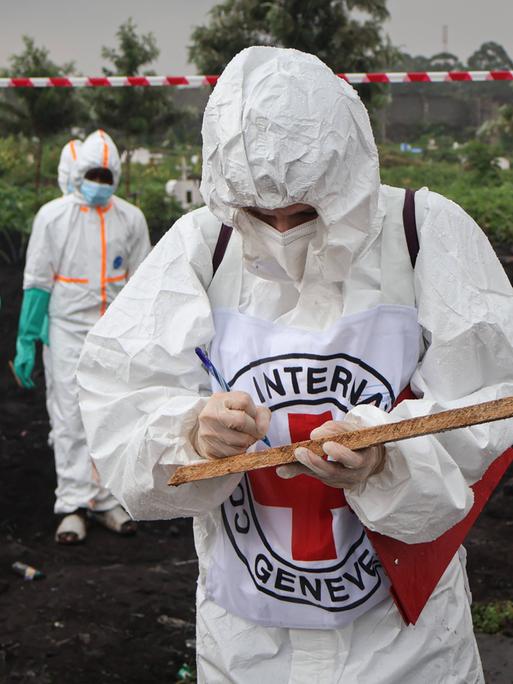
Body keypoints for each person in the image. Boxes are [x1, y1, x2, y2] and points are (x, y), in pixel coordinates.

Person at [77, 48, 513, 683]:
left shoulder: (422, 232)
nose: (281, 230)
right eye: (260, 213)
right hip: (249, 644)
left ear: (349, 179)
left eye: (305, 213)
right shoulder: (204, 245)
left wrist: (388, 456)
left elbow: (489, 402)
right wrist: (194, 434)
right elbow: (121, 395)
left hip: (404, 646)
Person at [13, 129, 151, 545]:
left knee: (111, 414)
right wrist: (27, 339)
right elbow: (37, 283)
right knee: (71, 415)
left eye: (107, 176)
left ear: (117, 177)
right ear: (78, 173)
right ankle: (72, 503)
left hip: (114, 333)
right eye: (93, 174)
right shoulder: (53, 216)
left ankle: (106, 499)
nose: (99, 183)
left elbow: (144, 281)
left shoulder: (131, 218)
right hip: (68, 331)